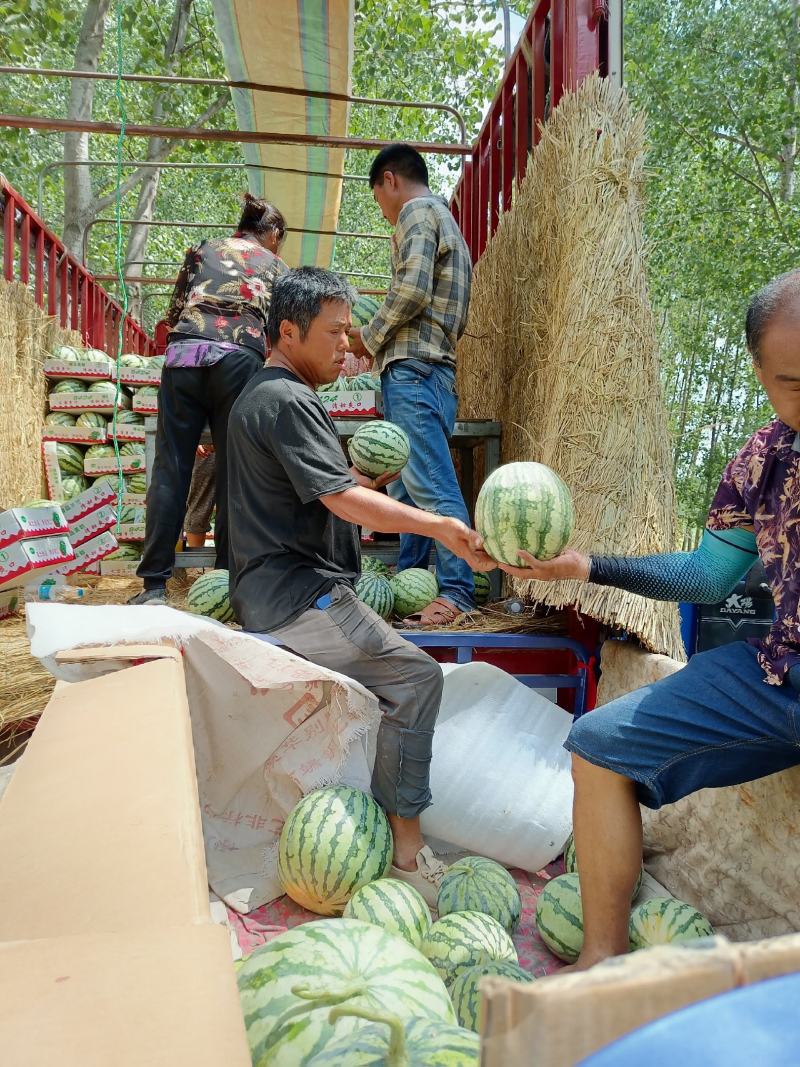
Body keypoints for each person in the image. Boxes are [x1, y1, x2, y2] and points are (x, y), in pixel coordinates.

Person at [498, 268, 800, 969]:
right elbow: (707, 575)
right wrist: (589, 566)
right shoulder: (760, 461)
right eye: (794, 382)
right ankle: (601, 965)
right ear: (759, 373)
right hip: (779, 671)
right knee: (598, 744)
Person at [227, 267, 495, 905]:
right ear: (288, 332)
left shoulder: (262, 397)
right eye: (334, 333)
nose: (346, 347)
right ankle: (407, 849)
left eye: (348, 333)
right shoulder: (287, 400)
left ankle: (371, 824)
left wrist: (360, 486)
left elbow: (323, 496)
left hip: (273, 589)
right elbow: (342, 502)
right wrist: (441, 526)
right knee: (416, 678)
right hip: (299, 596)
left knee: (396, 677)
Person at [128, 194, 288, 606]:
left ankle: (154, 587)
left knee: (171, 470)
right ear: (272, 235)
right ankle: (229, 580)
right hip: (238, 361)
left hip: (184, 357)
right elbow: (277, 332)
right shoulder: (275, 266)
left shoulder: (201, 250)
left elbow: (175, 309)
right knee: (237, 472)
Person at [347, 144, 475, 625]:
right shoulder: (448, 222)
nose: (383, 213)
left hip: (414, 371)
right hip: (434, 371)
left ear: (389, 180)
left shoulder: (417, 213)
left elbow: (412, 289)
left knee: (434, 490)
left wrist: (369, 338)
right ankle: (410, 583)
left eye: (378, 197)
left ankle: (459, 593)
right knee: (411, 494)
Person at [184, 444, 215, 549]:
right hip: (205, 450)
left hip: (234, 444)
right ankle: (196, 562)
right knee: (198, 506)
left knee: (198, 505)